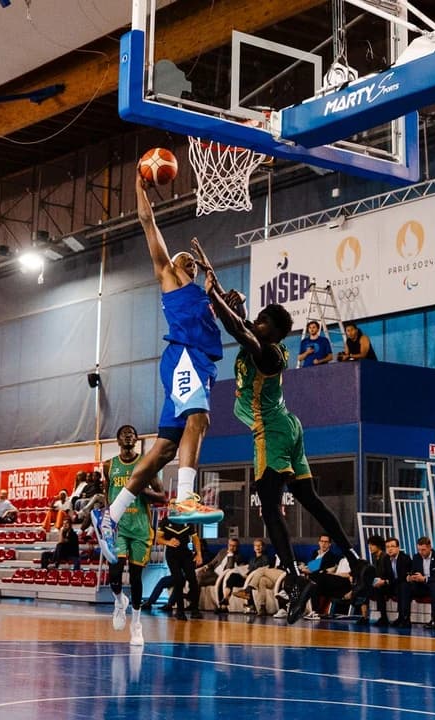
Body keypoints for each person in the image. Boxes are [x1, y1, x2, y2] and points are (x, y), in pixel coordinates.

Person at [191, 238, 369, 625]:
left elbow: (238, 329)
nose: (256, 324)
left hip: (270, 429)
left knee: (270, 507)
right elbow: (240, 322)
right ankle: (357, 562)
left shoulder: (268, 353)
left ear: (273, 333)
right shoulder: (264, 340)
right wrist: (220, 290)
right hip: (289, 425)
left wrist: (215, 294)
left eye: (262, 323)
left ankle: (292, 577)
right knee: (310, 499)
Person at [93, 179, 225, 564]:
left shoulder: (202, 296)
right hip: (183, 359)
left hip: (197, 364)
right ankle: (184, 498)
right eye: (183, 259)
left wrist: (215, 290)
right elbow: (147, 223)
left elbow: (223, 318)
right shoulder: (168, 277)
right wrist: (139, 187)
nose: (188, 261)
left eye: (191, 261)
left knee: (165, 448)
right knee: (199, 419)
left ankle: (111, 515)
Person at [106, 424, 166, 646]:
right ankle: (119, 601)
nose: (128, 436)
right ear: (118, 440)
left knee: (135, 577)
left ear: (136, 439)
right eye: (124, 434)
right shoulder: (109, 466)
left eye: (132, 434)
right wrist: (106, 521)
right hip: (119, 527)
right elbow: (107, 495)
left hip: (140, 528)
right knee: (114, 573)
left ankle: (137, 625)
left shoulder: (146, 464)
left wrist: (142, 490)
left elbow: (162, 496)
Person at [158, 515, 203, 620]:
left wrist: (199, 554)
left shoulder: (187, 520)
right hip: (172, 554)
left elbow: (195, 538)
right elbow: (158, 538)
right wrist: (168, 542)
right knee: (178, 580)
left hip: (185, 553)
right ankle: (180, 611)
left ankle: (195, 609)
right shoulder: (165, 521)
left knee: (193, 579)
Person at [402, 537, 435, 628]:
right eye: (419, 550)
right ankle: (405, 618)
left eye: (423, 550)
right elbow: (413, 571)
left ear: (430, 547)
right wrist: (410, 577)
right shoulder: (416, 557)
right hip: (422, 586)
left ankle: (434, 620)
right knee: (405, 586)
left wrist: (425, 579)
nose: (421, 552)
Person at [196, 537, 247, 613]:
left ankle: (193, 601)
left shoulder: (239, 556)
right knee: (198, 575)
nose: (231, 547)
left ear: (238, 547)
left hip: (220, 576)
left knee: (199, 580)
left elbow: (229, 567)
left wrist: (230, 554)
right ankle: (192, 599)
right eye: (230, 545)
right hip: (213, 572)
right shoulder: (222, 551)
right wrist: (205, 567)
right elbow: (213, 562)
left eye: (234, 546)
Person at [373, 537, 412, 628]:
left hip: (403, 584)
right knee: (378, 588)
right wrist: (380, 581)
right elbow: (385, 574)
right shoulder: (386, 559)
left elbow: (402, 577)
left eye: (392, 546)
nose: (390, 549)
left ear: (398, 548)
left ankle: (404, 619)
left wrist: (386, 581)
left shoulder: (405, 558)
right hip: (392, 585)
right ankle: (383, 618)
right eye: (387, 547)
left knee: (402, 586)